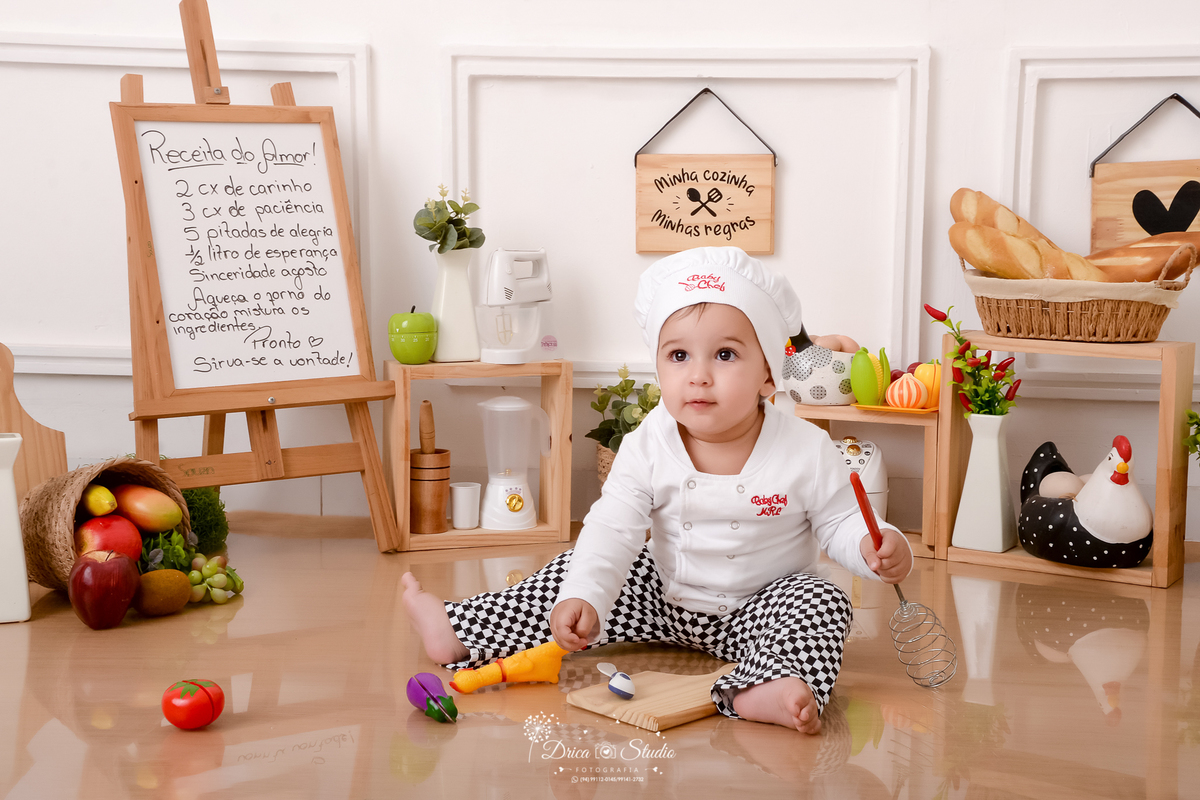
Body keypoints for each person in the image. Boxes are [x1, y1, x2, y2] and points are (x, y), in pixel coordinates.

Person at [402, 246, 912, 734]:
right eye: (679, 355)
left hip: (762, 606)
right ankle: (458, 627)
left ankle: (765, 686)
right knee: (572, 572)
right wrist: (586, 595)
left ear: (768, 376)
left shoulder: (805, 447)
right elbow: (613, 525)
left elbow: (843, 521)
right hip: (662, 594)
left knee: (824, 600)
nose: (699, 376)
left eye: (726, 354)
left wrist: (874, 546)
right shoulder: (650, 441)